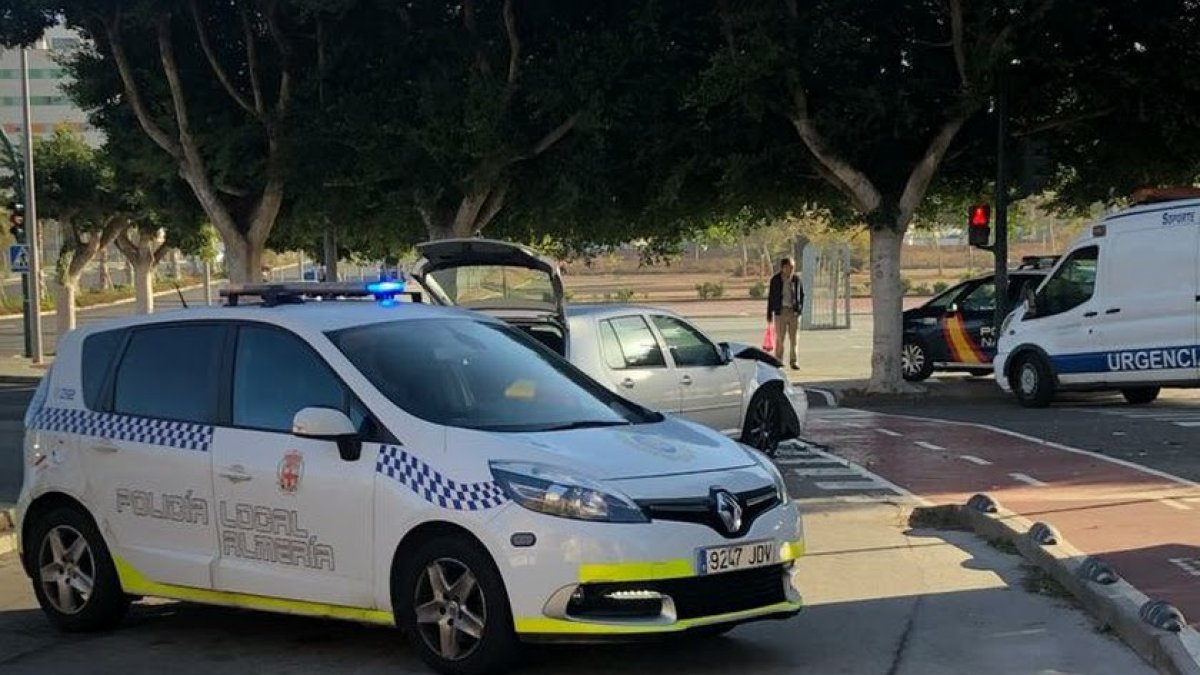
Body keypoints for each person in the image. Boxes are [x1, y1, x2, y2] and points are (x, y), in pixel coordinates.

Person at [766, 257, 803, 369]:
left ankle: (794, 361)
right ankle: (778, 360)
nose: (791, 269)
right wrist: (769, 313)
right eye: (789, 267)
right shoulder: (775, 280)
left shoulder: (796, 279)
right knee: (780, 339)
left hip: (793, 312)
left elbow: (801, 295)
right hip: (780, 311)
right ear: (783, 268)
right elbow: (771, 297)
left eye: (793, 267)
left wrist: (799, 309)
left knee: (794, 339)